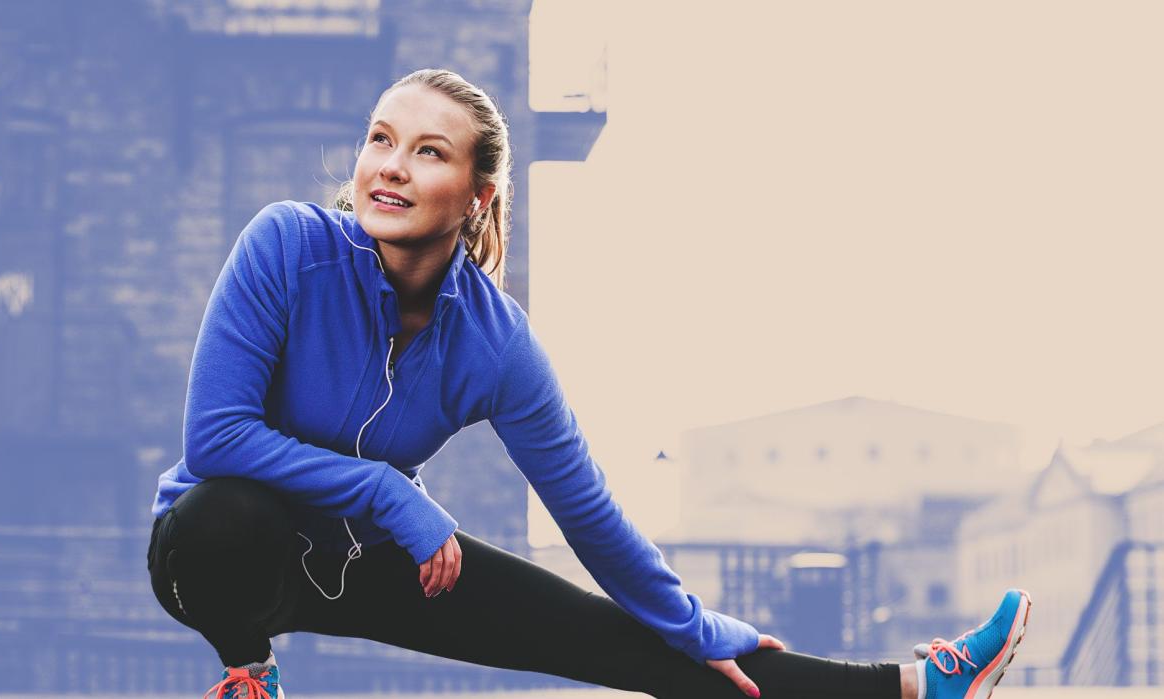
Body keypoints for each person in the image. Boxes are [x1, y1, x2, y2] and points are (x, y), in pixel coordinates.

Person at [146, 68, 1033, 699]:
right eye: (381, 139)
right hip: (215, 559)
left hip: (364, 557)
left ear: (477, 195)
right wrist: (391, 491)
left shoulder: (494, 342)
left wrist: (693, 626)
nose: (389, 166)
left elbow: (590, 514)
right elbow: (215, 440)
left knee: (643, 649)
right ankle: (247, 675)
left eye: (426, 151)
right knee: (233, 516)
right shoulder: (287, 246)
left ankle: (912, 688)